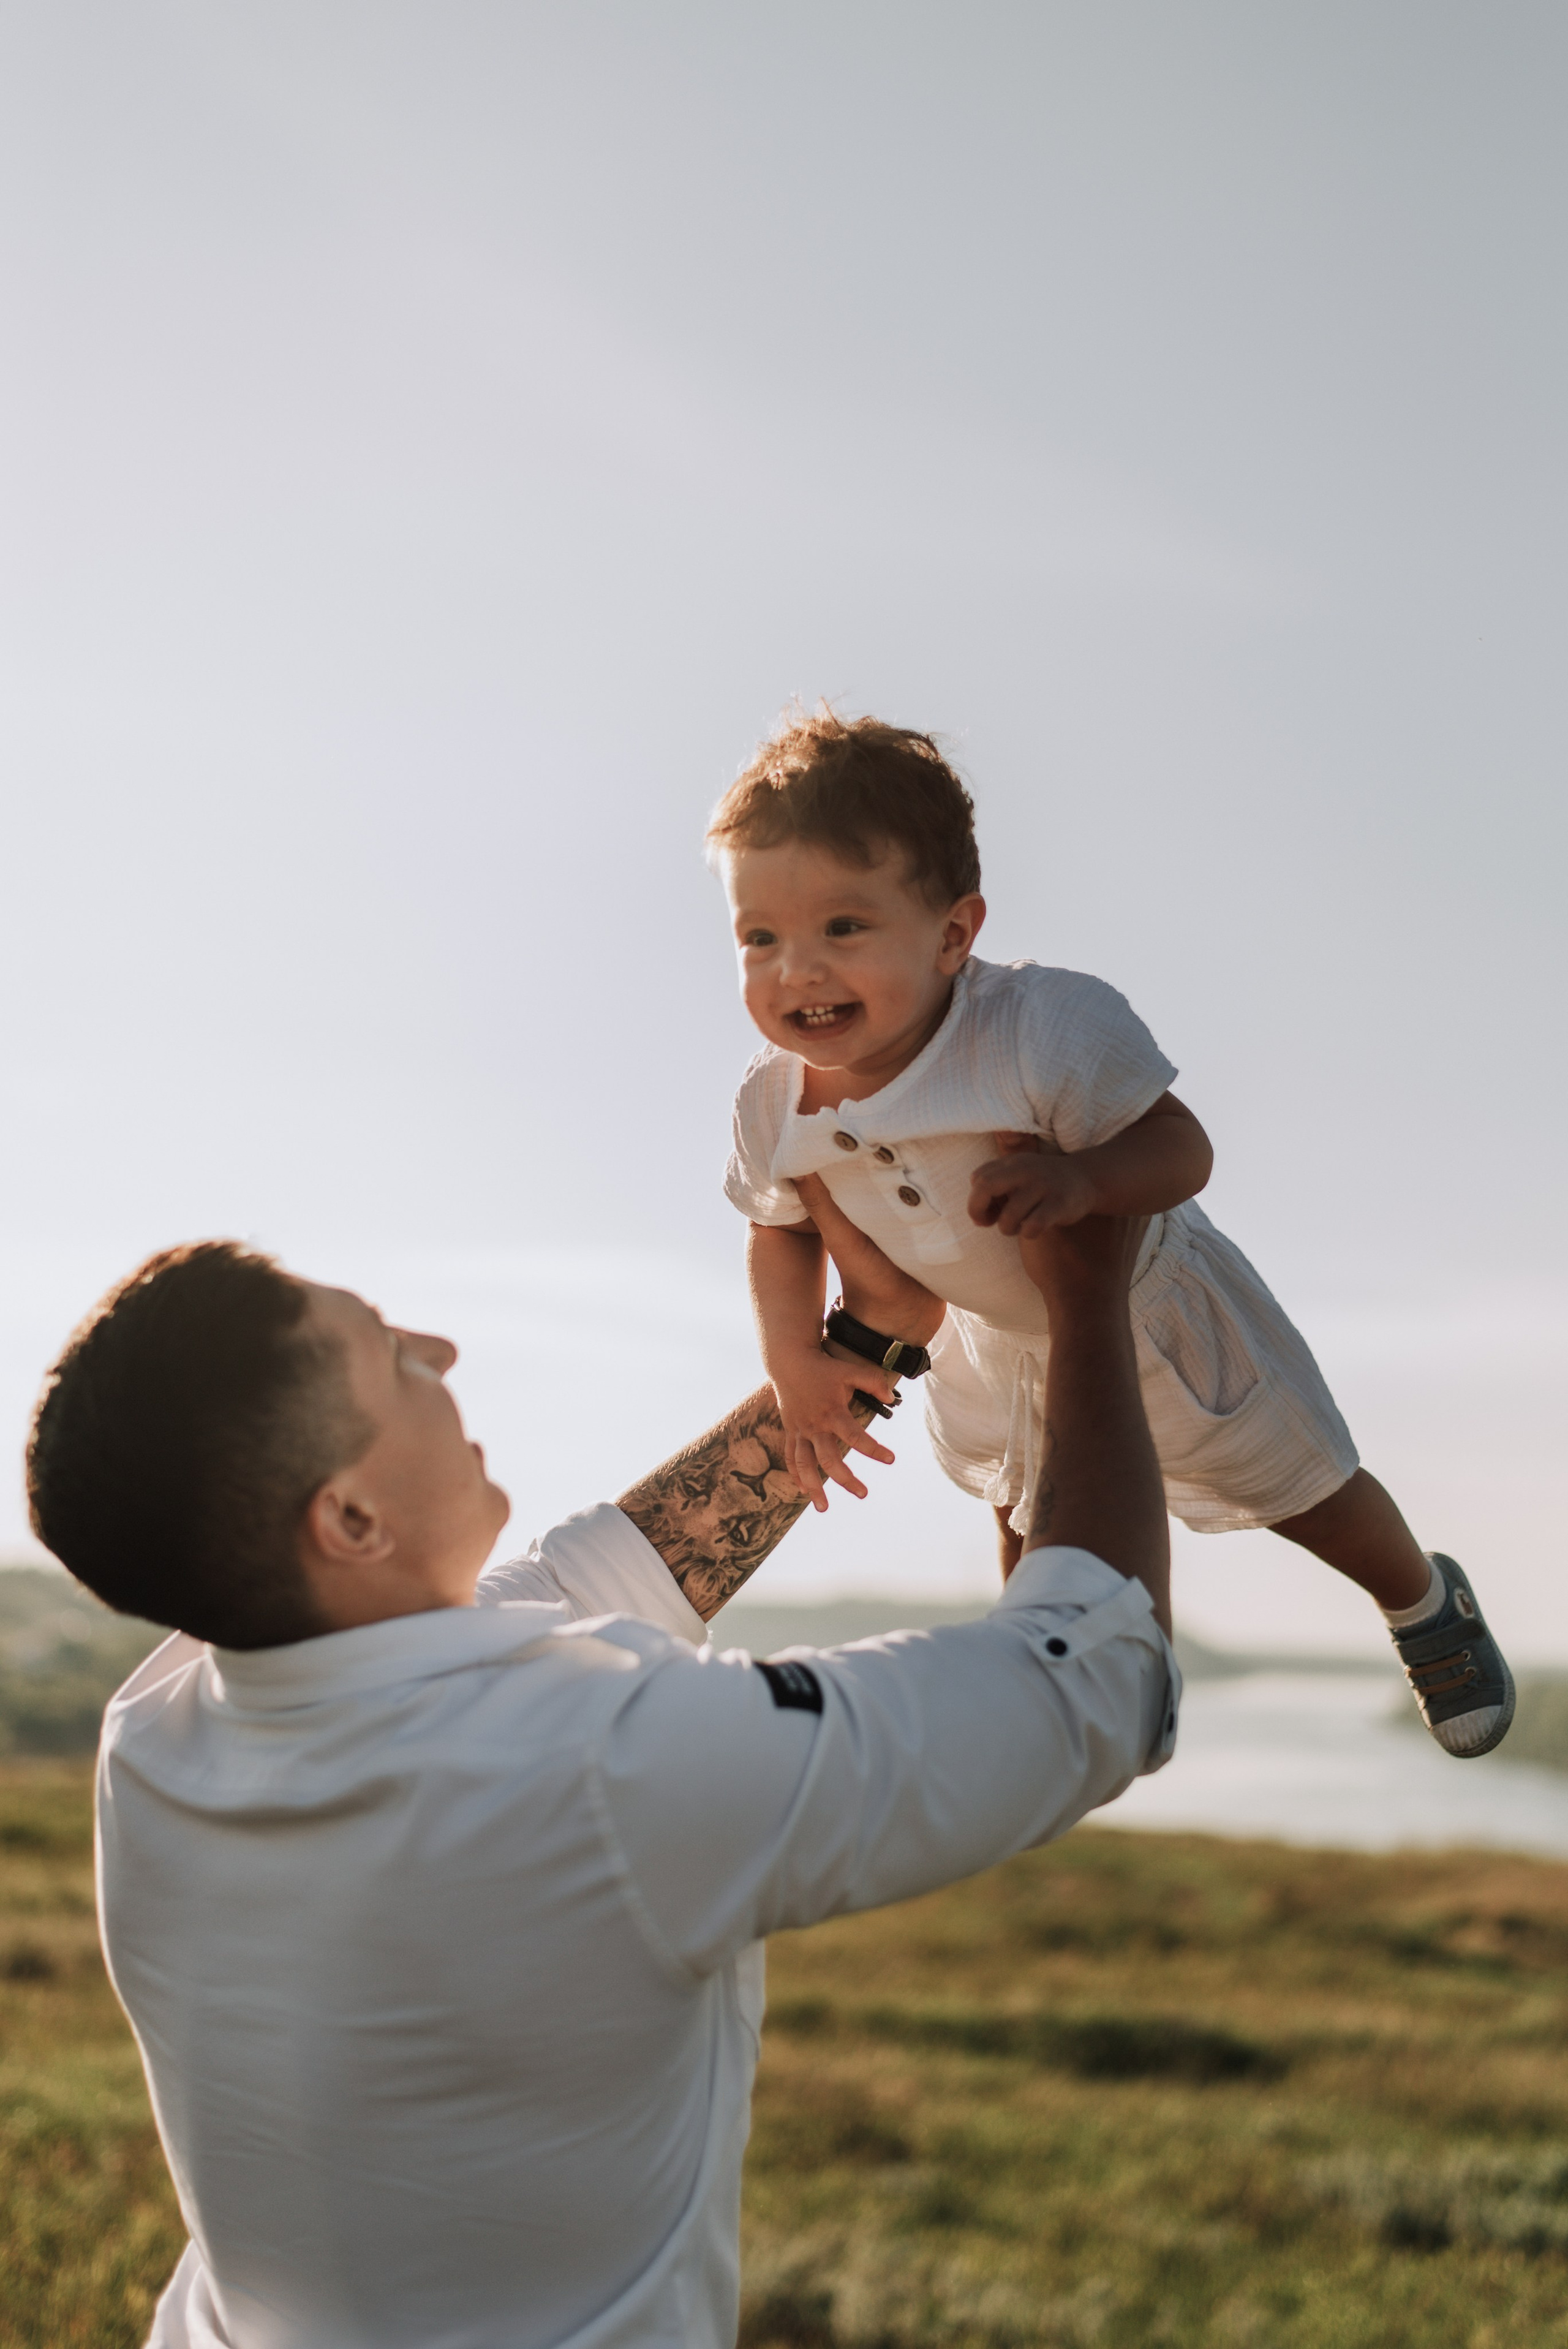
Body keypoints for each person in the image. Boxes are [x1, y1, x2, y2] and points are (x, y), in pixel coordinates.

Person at [27, 1185, 1175, 2349]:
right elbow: (1093, 1679)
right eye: (391, 1357)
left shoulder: (161, 1729)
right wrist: (1084, 1302)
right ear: (352, 1519)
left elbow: (576, 1587)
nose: (439, 1348)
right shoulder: (597, 1764)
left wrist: (869, 1338)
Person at [709, 705, 1513, 1758]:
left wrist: (1084, 1179)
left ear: (954, 933)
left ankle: (1420, 1601)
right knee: (1027, 1513)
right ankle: (1035, 1684)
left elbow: (1183, 1150)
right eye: (759, 938)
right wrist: (792, 1359)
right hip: (992, 1347)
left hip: (1152, 1309)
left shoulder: (1041, 1030)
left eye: (842, 930)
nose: (796, 972)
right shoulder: (773, 1106)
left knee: (1301, 1488)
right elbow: (779, 1231)